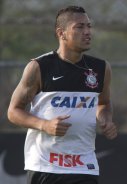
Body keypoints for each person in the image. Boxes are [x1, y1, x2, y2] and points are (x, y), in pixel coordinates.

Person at [7, 5, 117, 184]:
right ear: (61, 33)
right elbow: (13, 112)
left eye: (89, 26)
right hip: (46, 166)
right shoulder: (39, 67)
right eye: (79, 27)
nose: (88, 32)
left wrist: (106, 119)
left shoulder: (100, 68)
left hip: (84, 165)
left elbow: (103, 103)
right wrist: (44, 125)